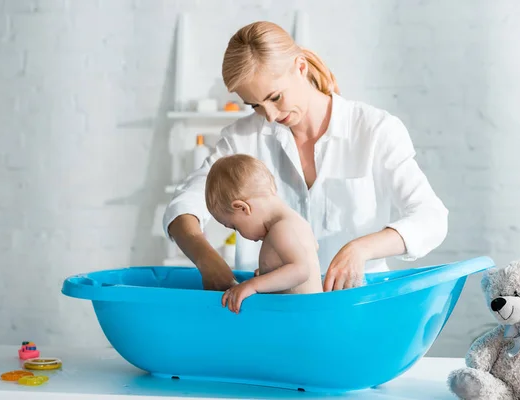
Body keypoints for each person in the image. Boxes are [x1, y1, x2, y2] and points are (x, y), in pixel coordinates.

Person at [162, 21, 448, 292]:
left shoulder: (374, 130)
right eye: (255, 105)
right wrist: (204, 258)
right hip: (274, 313)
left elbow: (431, 218)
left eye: (275, 98)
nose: (270, 116)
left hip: (357, 306)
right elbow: (185, 205)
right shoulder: (242, 138)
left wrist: (362, 248)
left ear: (300, 67)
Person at [205, 154, 323, 313]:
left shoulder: (281, 228)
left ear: (243, 208)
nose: (239, 233)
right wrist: (271, 274)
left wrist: (254, 285)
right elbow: (311, 249)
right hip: (301, 314)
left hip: (299, 316)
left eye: (234, 226)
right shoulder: (296, 222)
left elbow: (301, 270)